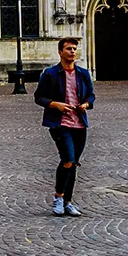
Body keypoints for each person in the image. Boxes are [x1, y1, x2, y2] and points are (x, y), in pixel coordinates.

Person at [34, 37, 95, 217]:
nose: (72, 52)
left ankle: (68, 202)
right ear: (60, 52)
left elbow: (91, 96)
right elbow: (39, 97)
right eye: (69, 48)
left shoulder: (83, 74)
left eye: (74, 49)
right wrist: (55, 104)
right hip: (59, 123)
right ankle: (58, 197)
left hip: (79, 123)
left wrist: (85, 105)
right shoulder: (50, 74)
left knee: (73, 163)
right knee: (67, 159)